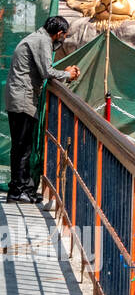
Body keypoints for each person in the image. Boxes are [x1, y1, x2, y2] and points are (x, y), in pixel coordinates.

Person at [5, 16, 80, 202]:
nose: (63, 40)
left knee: (22, 147)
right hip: (22, 99)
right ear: (60, 33)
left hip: (20, 98)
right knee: (22, 147)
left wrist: (64, 73)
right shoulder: (42, 40)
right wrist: (67, 74)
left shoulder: (39, 38)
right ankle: (18, 191)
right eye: (64, 36)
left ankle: (20, 189)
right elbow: (47, 71)